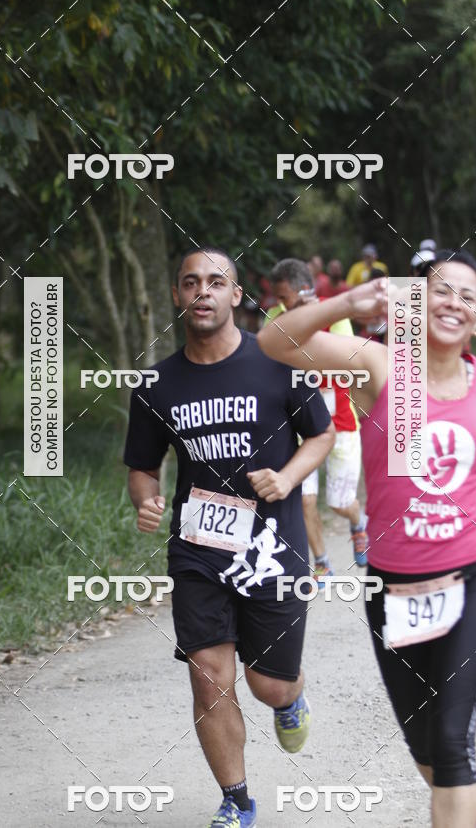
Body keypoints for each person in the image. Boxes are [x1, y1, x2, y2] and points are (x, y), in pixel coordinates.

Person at [258, 250, 476, 828]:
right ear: (416, 302)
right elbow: (273, 344)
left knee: (453, 746)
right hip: (393, 586)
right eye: (442, 291)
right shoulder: (381, 366)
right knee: (428, 752)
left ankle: (460, 795)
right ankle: (468, 806)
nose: (455, 304)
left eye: (468, 297)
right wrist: (346, 303)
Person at [124, 246, 334, 828]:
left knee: (267, 684)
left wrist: (288, 477)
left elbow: (322, 434)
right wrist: (146, 500)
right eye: (190, 282)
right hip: (199, 549)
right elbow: (142, 465)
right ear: (177, 295)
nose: (203, 291)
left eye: (216, 281)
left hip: (273, 546)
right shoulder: (156, 383)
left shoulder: (277, 362)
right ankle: (236, 800)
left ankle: (290, 699)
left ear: (236, 295)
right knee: (208, 674)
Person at [269, 258, 368, 582]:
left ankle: (358, 522)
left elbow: (347, 360)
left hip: (340, 421)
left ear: (305, 290)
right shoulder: (276, 318)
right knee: (305, 499)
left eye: (286, 297)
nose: (281, 305)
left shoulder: (333, 314)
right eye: (278, 298)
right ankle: (323, 563)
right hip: (301, 427)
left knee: (340, 503)